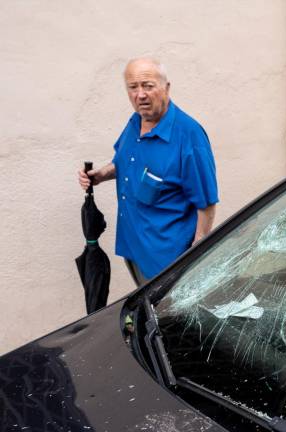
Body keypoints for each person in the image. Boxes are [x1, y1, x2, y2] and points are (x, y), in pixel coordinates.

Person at [78, 57, 218, 286]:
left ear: (166, 87)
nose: (140, 94)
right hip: (132, 247)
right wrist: (102, 175)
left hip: (167, 262)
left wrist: (194, 259)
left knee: (165, 319)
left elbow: (207, 203)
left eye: (148, 86)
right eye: (133, 87)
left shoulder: (189, 136)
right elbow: (127, 163)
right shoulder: (135, 122)